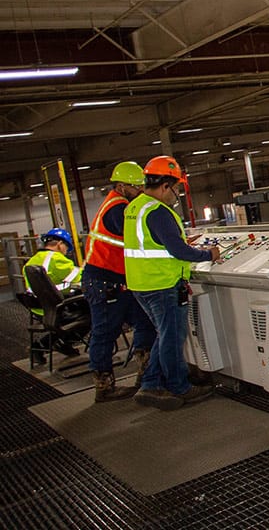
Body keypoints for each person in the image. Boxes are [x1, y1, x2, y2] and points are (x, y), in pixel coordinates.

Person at [123, 155, 221, 411]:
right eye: (175, 189)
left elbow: (154, 244)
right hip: (162, 284)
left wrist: (177, 243)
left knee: (164, 335)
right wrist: (207, 254)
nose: (174, 195)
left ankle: (151, 383)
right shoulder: (158, 211)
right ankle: (179, 387)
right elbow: (178, 251)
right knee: (172, 337)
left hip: (141, 284)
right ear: (166, 185)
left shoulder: (135, 207)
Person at [83, 161, 157, 403]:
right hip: (105, 282)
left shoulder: (119, 205)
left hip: (118, 281)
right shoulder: (118, 208)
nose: (141, 192)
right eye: (137, 188)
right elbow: (137, 237)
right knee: (105, 333)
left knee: (144, 322)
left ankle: (147, 375)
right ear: (123, 186)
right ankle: (104, 387)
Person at [23, 227, 85, 358]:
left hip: (39, 309)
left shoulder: (31, 261)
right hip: (57, 309)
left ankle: (43, 346)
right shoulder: (56, 259)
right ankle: (61, 342)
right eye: (67, 247)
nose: (66, 251)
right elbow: (81, 278)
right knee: (91, 313)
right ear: (59, 244)